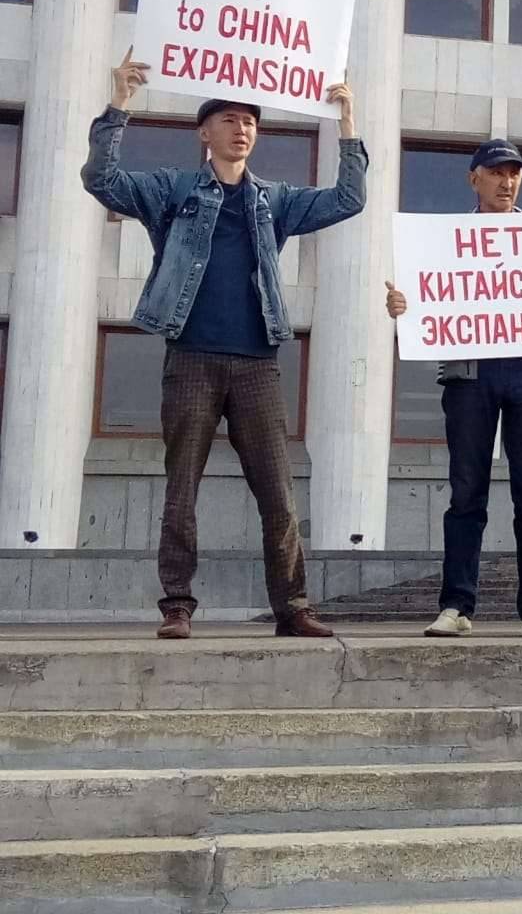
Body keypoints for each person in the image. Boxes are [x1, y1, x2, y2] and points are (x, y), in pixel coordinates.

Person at [81, 50, 367, 639]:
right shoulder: (174, 189)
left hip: (258, 364)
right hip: (191, 358)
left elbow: (348, 199)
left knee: (279, 494)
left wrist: (348, 124)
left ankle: (292, 608)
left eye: (251, 123)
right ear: (204, 133)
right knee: (181, 486)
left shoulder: (274, 202)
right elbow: (102, 181)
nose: (243, 130)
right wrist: (119, 104)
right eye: (231, 120)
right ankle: (177, 606)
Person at [385, 139, 522, 638]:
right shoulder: (445, 244)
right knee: (467, 492)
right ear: (475, 179)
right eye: (496, 173)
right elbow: (426, 308)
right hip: (471, 375)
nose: (507, 182)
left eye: (515, 174)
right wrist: (406, 310)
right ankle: (457, 606)